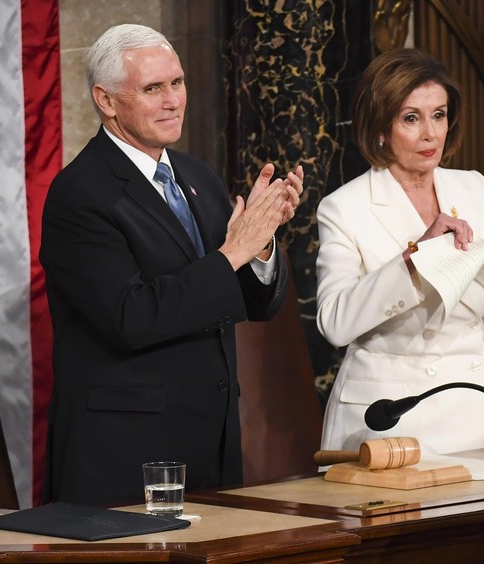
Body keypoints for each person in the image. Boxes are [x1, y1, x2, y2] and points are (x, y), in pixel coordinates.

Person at [40, 24, 303, 506]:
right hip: (125, 459)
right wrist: (232, 253)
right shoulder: (79, 194)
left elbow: (251, 302)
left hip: (211, 450)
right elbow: (131, 317)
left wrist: (261, 247)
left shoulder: (196, 175)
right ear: (106, 100)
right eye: (152, 88)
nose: (173, 100)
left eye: (177, 83)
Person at [315, 48, 484, 455]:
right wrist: (415, 258)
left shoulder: (474, 188)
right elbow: (334, 322)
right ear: (380, 127)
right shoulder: (345, 206)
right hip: (389, 418)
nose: (430, 134)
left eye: (439, 115)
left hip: (474, 407)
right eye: (411, 118)